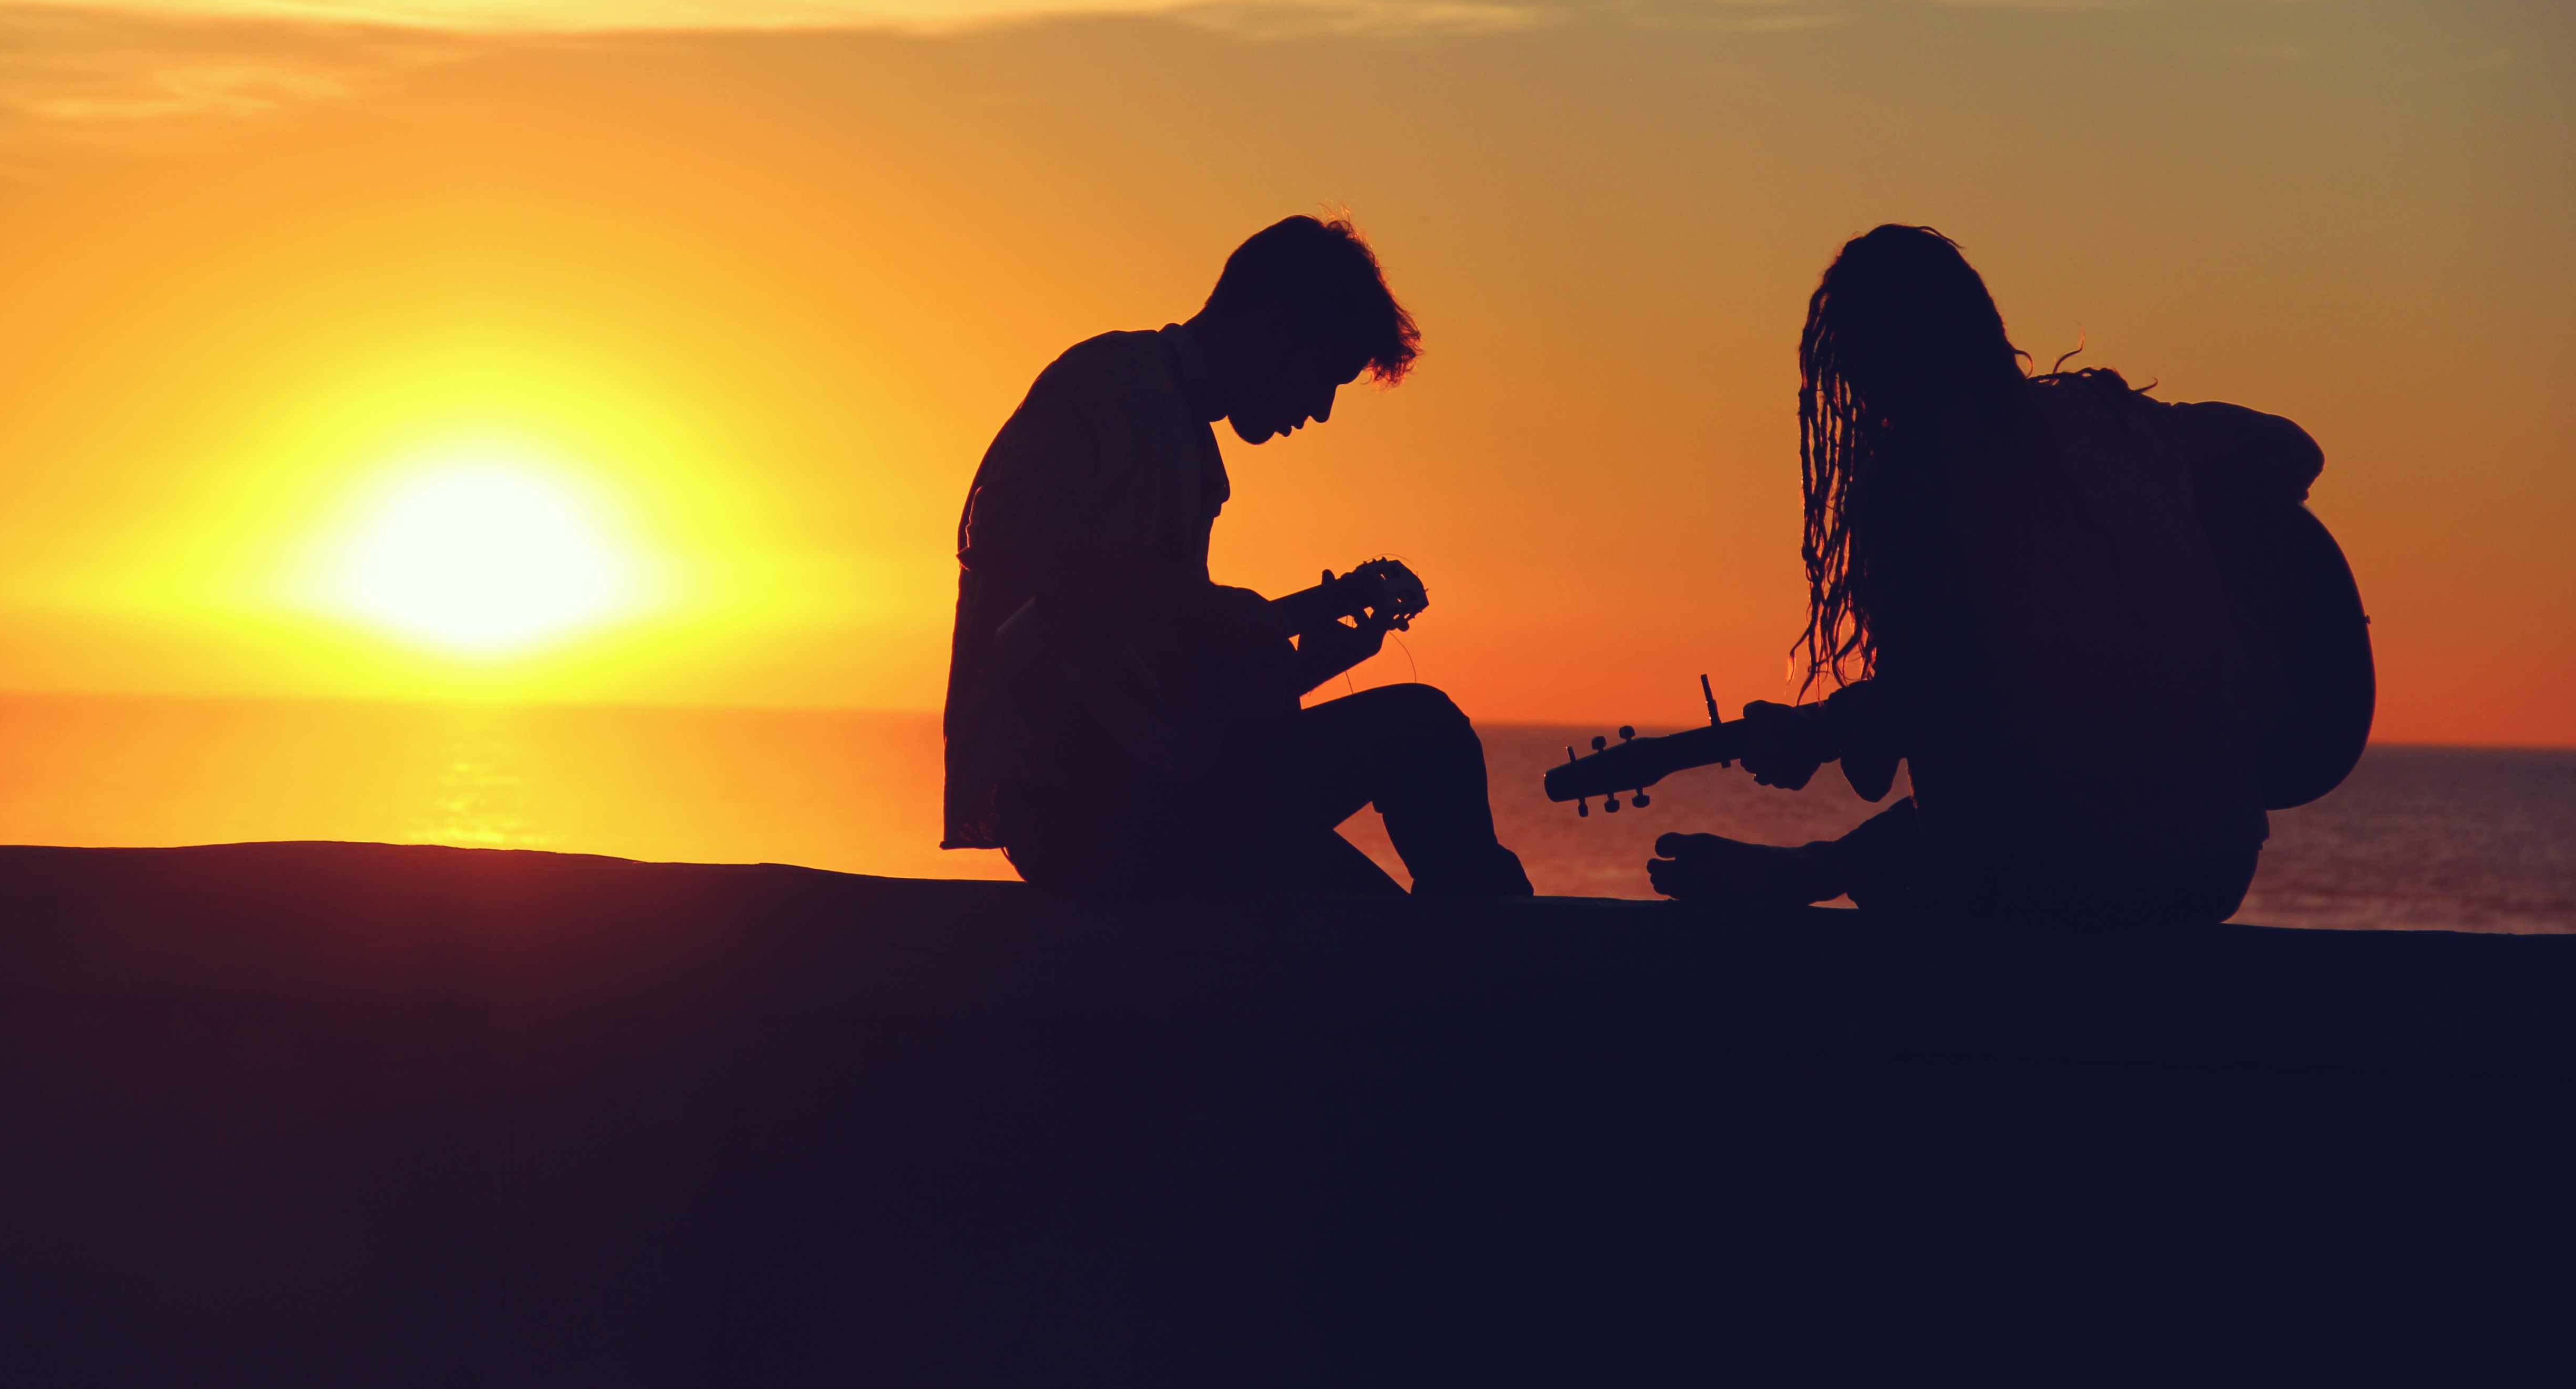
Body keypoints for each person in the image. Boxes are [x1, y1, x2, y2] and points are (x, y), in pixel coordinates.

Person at [1649, 224, 2344, 926]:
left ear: (1860, 365)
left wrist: (1819, 733)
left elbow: (1927, 702)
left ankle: (1808, 869)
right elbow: (2293, 450)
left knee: (1954, 833)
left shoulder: (1909, 483)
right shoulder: (2114, 420)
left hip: (2068, 882)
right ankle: (1818, 863)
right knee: (1996, 794)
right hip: (2218, 862)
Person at [942, 214, 1532, 900]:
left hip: (1151, 795)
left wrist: (1305, 665)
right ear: (1274, 330)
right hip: (1088, 810)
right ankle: (1505, 970)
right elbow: (1003, 532)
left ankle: (1485, 958)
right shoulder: (1113, 381)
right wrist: (1203, 606)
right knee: (1422, 730)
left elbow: (1158, 691)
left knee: (1387, 921)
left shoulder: (1185, 436)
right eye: (1323, 377)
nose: (1320, 411)